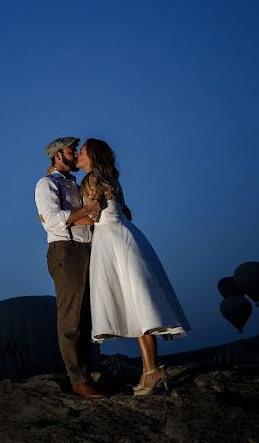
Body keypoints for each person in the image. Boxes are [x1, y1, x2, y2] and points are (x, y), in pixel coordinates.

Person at [76, 139, 190, 396]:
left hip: (110, 240)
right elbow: (121, 210)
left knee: (135, 304)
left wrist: (59, 219)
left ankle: (151, 371)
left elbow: (92, 215)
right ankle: (151, 370)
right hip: (126, 237)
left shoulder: (91, 180)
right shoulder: (110, 179)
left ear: (92, 156)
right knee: (139, 304)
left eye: (82, 152)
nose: (79, 156)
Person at [35, 137, 106, 400]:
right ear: (57, 155)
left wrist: (90, 214)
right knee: (71, 319)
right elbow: (52, 221)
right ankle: (78, 380)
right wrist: (86, 212)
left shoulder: (74, 183)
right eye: (70, 150)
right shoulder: (46, 184)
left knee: (86, 317)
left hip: (87, 249)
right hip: (66, 251)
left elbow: (88, 217)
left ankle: (88, 374)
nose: (75, 153)